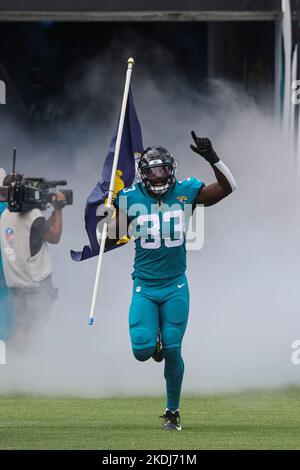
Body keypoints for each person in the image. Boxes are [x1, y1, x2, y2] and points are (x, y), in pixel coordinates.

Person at [99, 131, 236, 431]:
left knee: (174, 349)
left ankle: (172, 411)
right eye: (153, 171)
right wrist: (109, 210)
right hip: (145, 287)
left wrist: (212, 157)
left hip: (175, 285)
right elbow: (109, 235)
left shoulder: (185, 192)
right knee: (141, 350)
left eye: (164, 170)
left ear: (172, 170)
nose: (160, 178)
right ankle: (155, 343)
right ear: (144, 174)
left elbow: (228, 187)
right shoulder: (130, 197)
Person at [0, 172, 66, 346]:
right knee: (37, 329)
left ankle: (18, 364)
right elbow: (54, 236)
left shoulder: (4, 215)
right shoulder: (32, 215)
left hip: (15, 283)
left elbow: (38, 231)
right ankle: (32, 362)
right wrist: (58, 209)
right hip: (36, 283)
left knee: (21, 328)